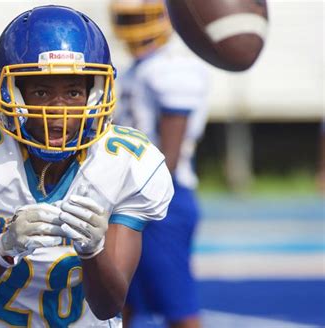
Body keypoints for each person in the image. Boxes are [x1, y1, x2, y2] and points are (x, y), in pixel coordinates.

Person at [0, 5, 174, 328]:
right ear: (11, 92)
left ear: (95, 95)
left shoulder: (130, 164)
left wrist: (93, 251)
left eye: (73, 92)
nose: (59, 111)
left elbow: (109, 304)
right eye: (41, 92)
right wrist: (2, 251)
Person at [111, 1, 210, 327]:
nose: (134, 25)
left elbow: (169, 156)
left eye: (139, 16)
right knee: (117, 301)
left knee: (176, 306)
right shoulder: (135, 69)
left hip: (162, 198)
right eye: (128, 18)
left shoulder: (174, 66)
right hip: (128, 194)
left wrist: (138, 194)